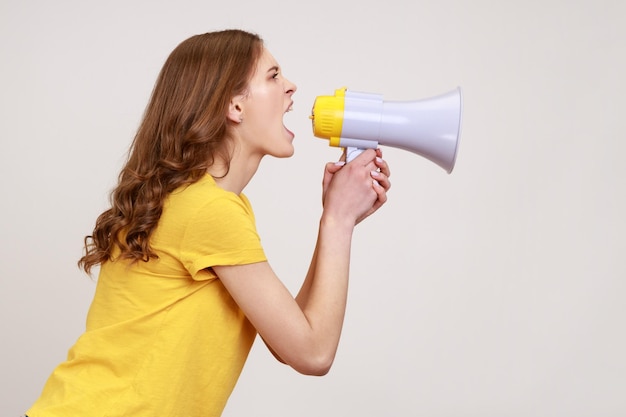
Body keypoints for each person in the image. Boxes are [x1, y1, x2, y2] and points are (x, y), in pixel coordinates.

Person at [25, 29, 391, 417]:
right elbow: (313, 353)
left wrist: (334, 219)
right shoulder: (207, 212)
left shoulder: (211, 204)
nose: (290, 87)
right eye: (273, 76)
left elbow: (291, 339)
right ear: (233, 106)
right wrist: (338, 220)